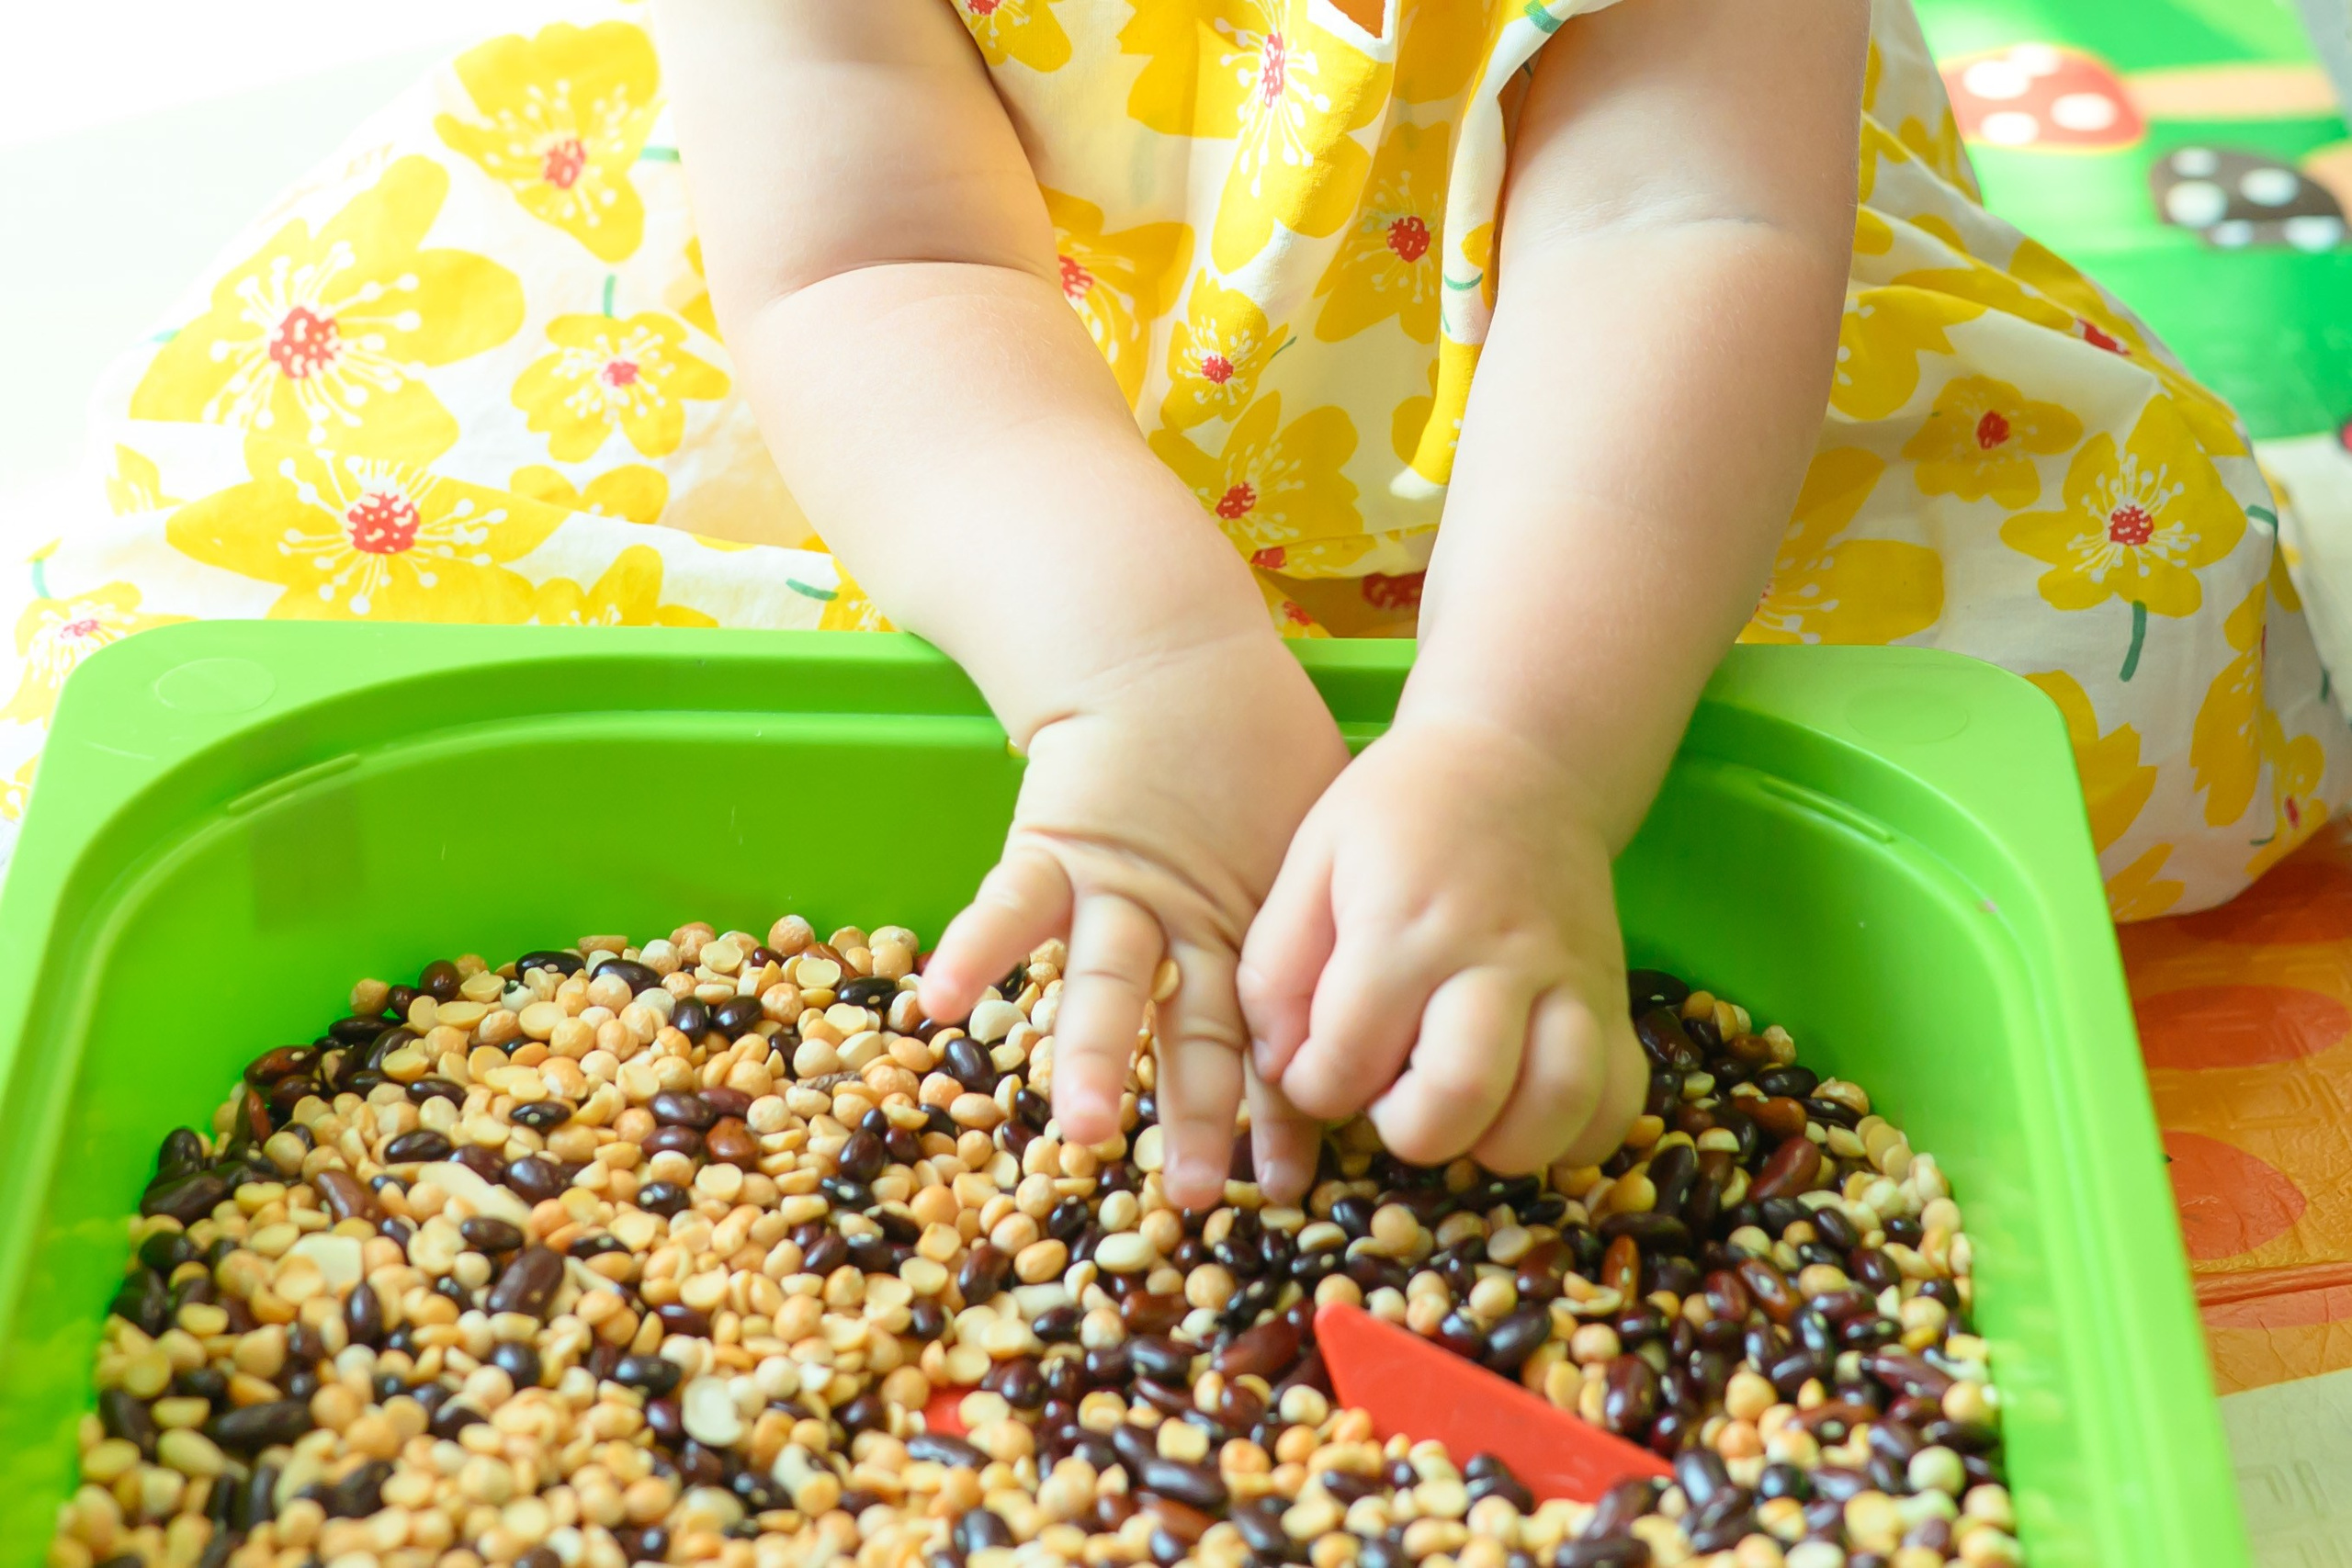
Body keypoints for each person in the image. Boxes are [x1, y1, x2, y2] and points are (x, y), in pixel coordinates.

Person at [17, 0, 2343, 1211]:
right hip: (941, 317)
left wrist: (1519, 755)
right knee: (314, 564)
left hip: (1560, 319)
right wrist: (1136, 662)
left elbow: (1673, 229)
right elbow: (868, 254)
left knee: (2134, 667)